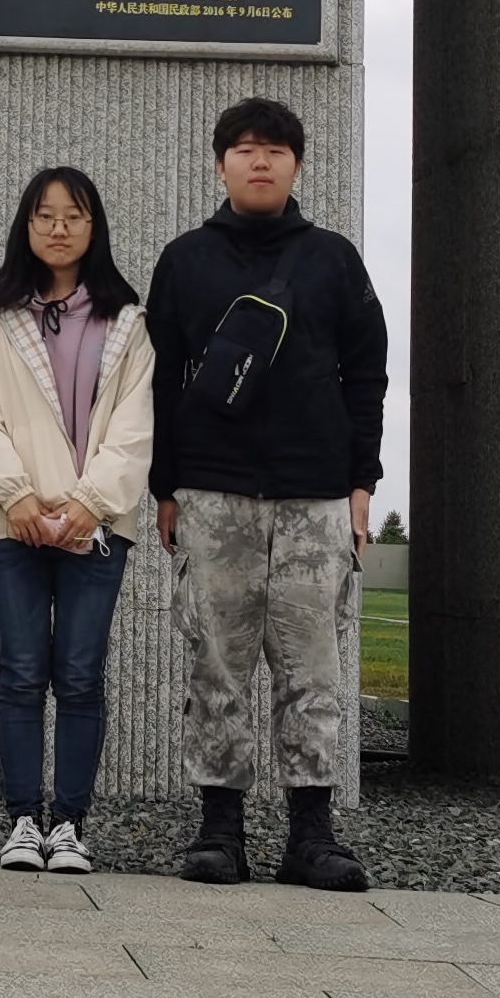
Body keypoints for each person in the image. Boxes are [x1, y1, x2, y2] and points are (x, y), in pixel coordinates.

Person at [144, 96, 387, 890]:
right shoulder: (184, 260)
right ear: (220, 164)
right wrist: (164, 487)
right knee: (217, 663)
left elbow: (367, 376)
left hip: (315, 496)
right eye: (244, 148)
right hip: (212, 493)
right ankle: (220, 830)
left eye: (275, 150)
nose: (260, 160)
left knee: (313, 667)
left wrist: (362, 482)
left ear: (297, 165)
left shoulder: (334, 260)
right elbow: (160, 381)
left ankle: (312, 835)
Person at [0, 166, 155, 876]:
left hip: (96, 525)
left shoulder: (127, 320)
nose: (59, 228)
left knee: (79, 673)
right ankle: (20, 820)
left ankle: (68, 824)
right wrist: (15, 496)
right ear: (27, 225)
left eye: (74, 216)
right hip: (12, 523)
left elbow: (134, 426)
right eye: (45, 215)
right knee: (19, 671)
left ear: (94, 227)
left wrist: (90, 504)